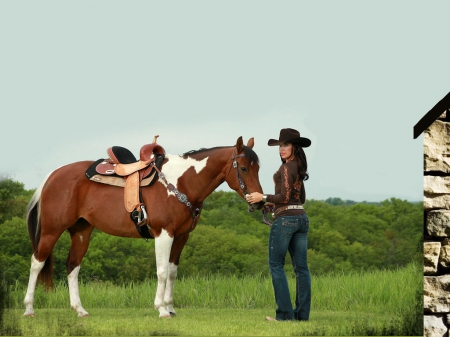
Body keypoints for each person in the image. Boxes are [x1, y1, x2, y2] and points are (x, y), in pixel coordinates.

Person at [246, 128, 312, 321]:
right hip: (302, 218)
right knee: (302, 269)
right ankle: (301, 316)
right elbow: (301, 198)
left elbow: (284, 196)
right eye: (280, 146)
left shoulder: (285, 168)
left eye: (286, 145)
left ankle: (284, 316)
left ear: (295, 147)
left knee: (276, 265)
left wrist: (262, 196)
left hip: (286, 220)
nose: (281, 149)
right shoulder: (299, 167)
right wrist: (272, 203)